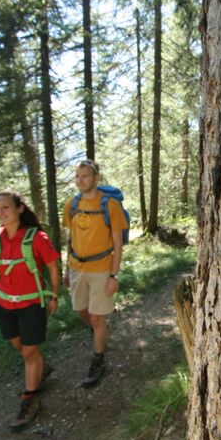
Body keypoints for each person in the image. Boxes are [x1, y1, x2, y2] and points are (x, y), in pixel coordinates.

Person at [0, 191, 60, 433]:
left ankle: (30, 399)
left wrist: (54, 294)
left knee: (29, 353)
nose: (1, 213)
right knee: (19, 347)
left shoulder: (36, 238)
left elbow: (52, 267)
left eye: (6, 207)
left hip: (32, 304)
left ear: (19, 208)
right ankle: (42, 368)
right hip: (5, 306)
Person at [62, 159, 127, 387]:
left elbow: (118, 243)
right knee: (83, 312)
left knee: (97, 317)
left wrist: (113, 276)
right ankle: (98, 334)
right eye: (78, 177)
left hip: (101, 269)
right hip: (76, 267)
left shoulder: (110, 205)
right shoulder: (71, 204)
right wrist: (66, 269)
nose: (81, 181)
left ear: (96, 178)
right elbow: (70, 239)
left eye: (85, 176)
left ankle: (98, 359)